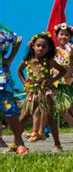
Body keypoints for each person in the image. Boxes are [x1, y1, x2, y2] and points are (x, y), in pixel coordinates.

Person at [18, 32, 66, 153]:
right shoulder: (28, 60)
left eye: (44, 46)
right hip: (32, 91)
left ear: (48, 49)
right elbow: (19, 71)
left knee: (50, 117)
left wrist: (52, 80)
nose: (41, 48)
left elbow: (62, 70)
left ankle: (57, 144)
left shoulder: (48, 61)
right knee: (23, 117)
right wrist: (25, 84)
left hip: (45, 91)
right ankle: (16, 143)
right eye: (38, 45)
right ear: (33, 46)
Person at [0, 24, 28, 155]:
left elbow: (18, 39)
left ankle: (19, 143)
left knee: (9, 106)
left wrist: (10, 58)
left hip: (1, 73)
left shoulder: (3, 31)